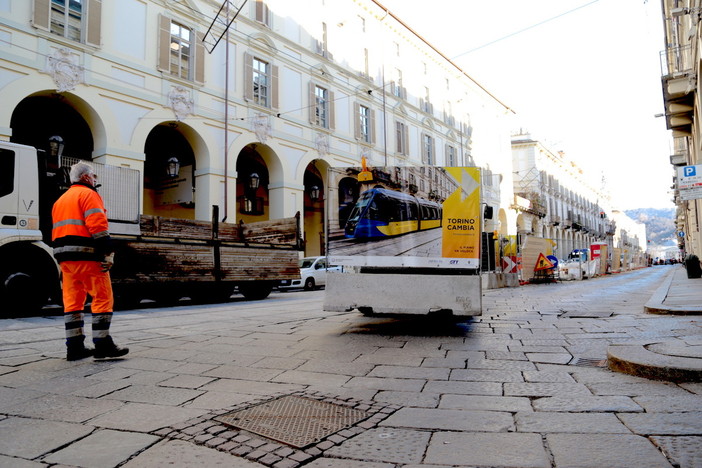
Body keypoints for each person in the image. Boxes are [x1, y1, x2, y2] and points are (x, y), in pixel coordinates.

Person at [52, 162, 128, 361]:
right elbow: (98, 227)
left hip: (65, 259)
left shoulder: (60, 200)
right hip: (88, 255)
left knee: (72, 302)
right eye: (94, 176)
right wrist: (108, 253)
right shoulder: (89, 195)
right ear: (86, 177)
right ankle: (103, 344)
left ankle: (74, 348)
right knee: (102, 297)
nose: (96, 180)